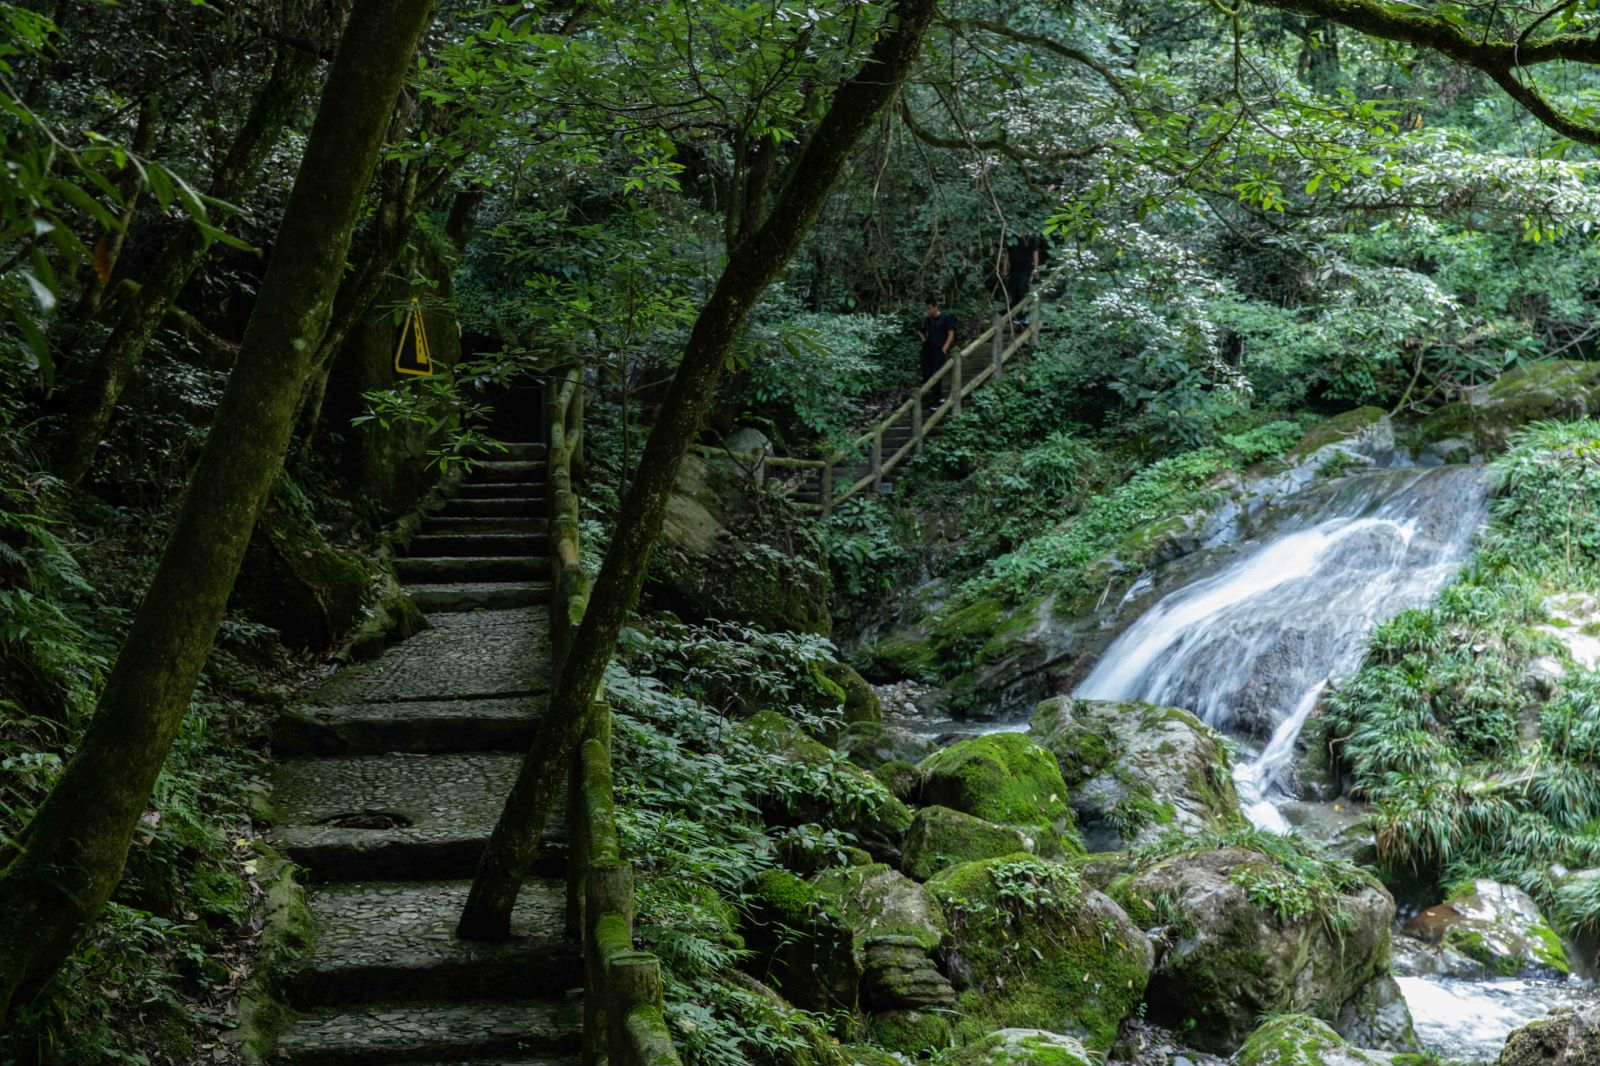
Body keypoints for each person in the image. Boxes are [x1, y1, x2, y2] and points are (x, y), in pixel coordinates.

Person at [918, 298, 955, 403]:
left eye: (930, 308)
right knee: (926, 374)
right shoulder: (927, 320)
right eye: (927, 309)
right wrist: (922, 337)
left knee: (936, 374)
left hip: (939, 352)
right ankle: (933, 398)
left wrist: (944, 349)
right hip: (927, 352)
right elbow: (920, 330)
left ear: (935, 307)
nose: (928, 311)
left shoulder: (945, 318)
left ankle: (938, 399)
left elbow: (951, 335)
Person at [1006, 230, 1040, 326]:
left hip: (1026, 268)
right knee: (1014, 291)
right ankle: (1016, 315)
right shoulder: (1012, 237)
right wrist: (1004, 267)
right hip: (1013, 269)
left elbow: (1035, 252)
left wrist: (1035, 268)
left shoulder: (1031, 238)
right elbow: (1007, 253)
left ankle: (1025, 315)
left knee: (1022, 289)